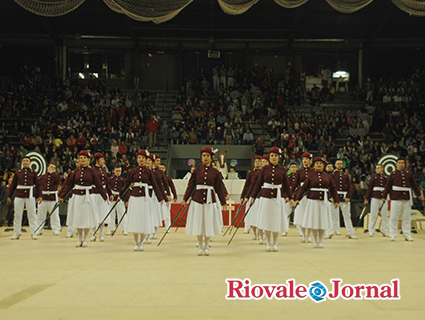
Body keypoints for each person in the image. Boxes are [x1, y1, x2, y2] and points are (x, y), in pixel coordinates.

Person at [182, 146, 226, 256]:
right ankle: (199, 245)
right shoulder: (196, 171)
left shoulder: (215, 172)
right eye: (203, 156)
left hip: (210, 200)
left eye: (207, 156)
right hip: (197, 200)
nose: (205, 157)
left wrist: (223, 202)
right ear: (201, 158)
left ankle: (206, 246)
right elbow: (190, 186)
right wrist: (185, 199)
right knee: (199, 223)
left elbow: (219, 187)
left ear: (211, 158)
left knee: (208, 223)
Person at [59, 151, 108, 247]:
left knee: (86, 219)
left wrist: (104, 196)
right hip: (77, 198)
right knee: (78, 219)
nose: (82, 160)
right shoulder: (75, 172)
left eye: (84, 158)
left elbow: (98, 185)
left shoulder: (92, 172)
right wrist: (62, 196)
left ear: (88, 160)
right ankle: (79, 239)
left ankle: (85, 239)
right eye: (80, 158)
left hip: (88, 197)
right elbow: (69, 185)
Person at [250, 147, 294, 252]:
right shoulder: (264, 169)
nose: (273, 158)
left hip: (278, 197)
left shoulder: (283, 170)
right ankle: (268, 242)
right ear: (269, 157)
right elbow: (258, 183)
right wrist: (253, 196)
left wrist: (291, 198)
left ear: (279, 157)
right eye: (272, 156)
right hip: (265, 197)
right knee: (266, 220)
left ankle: (275, 242)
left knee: (276, 220)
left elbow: (287, 185)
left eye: (276, 156)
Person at [120, 150, 163, 251]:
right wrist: (121, 194)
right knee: (136, 219)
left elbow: (155, 185)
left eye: (143, 158)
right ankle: (135, 242)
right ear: (137, 159)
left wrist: (160, 197)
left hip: (145, 198)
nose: (141, 160)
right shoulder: (133, 171)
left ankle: (142, 242)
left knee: (144, 220)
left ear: (146, 159)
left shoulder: (149, 172)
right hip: (135, 197)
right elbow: (127, 183)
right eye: (139, 158)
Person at [294, 157, 339, 248]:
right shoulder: (311, 176)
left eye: (321, 163)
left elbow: (333, 188)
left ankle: (321, 240)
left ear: (323, 165)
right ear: (314, 165)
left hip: (323, 201)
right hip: (312, 201)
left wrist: (336, 200)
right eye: (317, 163)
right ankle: (315, 240)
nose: (319, 165)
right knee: (314, 221)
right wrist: (298, 198)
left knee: (322, 221)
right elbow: (303, 188)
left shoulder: (327, 176)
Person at [382, 158, 424, 241]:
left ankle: (407, 234)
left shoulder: (408, 173)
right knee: (394, 217)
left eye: (402, 163)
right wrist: (384, 197)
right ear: (396, 164)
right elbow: (387, 186)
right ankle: (393, 234)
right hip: (396, 198)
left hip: (406, 198)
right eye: (399, 163)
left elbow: (414, 185)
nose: (401, 164)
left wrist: (419, 194)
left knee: (406, 217)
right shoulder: (393, 174)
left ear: (404, 164)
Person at [7, 156, 42, 240]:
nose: (25, 162)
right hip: (19, 195)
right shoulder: (17, 173)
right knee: (17, 214)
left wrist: (39, 195)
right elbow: (13, 185)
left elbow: (38, 185)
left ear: (30, 163)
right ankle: (16, 232)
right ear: (22, 163)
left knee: (32, 214)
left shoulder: (33, 173)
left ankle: (34, 232)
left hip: (30, 195)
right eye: (24, 161)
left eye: (27, 161)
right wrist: (9, 196)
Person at [325, 159, 358, 239]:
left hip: (344, 197)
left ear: (342, 165)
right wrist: (331, 196)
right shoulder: (332, 175)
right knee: (332, 216)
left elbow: (350, 187)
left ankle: (350, 233)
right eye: (338, 164)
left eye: (341, 164)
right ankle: (329, 232)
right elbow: (328, 186)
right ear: (335, 165)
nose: (339, 165)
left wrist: (348, 196)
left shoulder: (346, 175)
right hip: (334, 197)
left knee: (347, 216)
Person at [292, 152, 314, 242]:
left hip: (311, 194)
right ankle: (303, 235)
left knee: (309, 215)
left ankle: (309, 235)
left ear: (310, 161)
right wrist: (291, 196)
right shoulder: (299, 172)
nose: (305, 161)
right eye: (303, 159)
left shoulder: (313, 171)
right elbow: (294, 185)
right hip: (301, 195)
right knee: (301, 215)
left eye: (307, 159)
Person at [90, 153, 112, 242]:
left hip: (103, 194)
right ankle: (93, 233)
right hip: (95, 193)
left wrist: (110, 194)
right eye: (102, 160)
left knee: (102, 214)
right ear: (97, 160)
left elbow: (107, 183)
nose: (103, 161)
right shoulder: (92, 170)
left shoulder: (104, 170)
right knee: (94, 214)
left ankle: (101, 234)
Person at [36, 163, 61, 236]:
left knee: (54, 214)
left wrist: (52, 173)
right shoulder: (42, 177)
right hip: (43, 196)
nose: (52, 168)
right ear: (47, 168)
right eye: (51, 167)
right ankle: (39, 229)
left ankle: (56, 229)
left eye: (54, 167)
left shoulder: (56, 176)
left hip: (52, 197)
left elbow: (58, 180)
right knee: (40, 214)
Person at [364, 164, 389, 237]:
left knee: (384, 215)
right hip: (375, 198)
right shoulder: (373, 178)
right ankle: (371, 230)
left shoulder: (386, 178)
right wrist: (366, 198)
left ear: (382, 169)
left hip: (384, 198)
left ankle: (384, 231)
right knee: (373, 215)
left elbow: (388, 188)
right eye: (376, 168)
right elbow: (369, 189)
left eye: (379, 168)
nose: (377, 169)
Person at [240, 155, 262, 235]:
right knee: (249, 212)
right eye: (256, 162)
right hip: (251, 195)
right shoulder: (251, 173)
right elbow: (246, 185)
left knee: (259, 213)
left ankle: (260, 230)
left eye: (259, 161)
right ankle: (247, 227)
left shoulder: (263, 173)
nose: (257, 163)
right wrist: (243, 196)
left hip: (260, 196)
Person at [106, 165, 128, 236]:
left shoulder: (123, 180)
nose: (118, 172)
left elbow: (126, 190)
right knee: (111, 214)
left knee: (121, 214)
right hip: (112, 198)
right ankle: (111, 229)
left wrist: (126, 199)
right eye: (117, 171)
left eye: (119, 171)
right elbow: (108, 188)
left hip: (119, 198)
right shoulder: (110, 179)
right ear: (114, 171)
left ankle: (124, 229)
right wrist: (109, 195)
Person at [282, 162, 298, 236]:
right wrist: (286, 197)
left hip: (297, 197)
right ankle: (285, 229)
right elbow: (284, 188)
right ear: (289, 168)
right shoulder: (287, 177)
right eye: (292, 167)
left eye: (295, 167)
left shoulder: (299, 177)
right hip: (288, 197)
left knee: (298, 214)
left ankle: (300, 230)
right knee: (286, 214)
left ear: (297, 168)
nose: (293, 168)